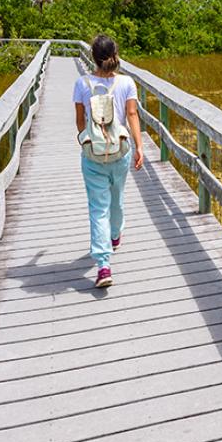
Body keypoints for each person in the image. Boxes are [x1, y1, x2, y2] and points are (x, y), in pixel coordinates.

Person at [73, 34, 144, 287]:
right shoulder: (127, 83)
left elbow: (80, 121)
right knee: (117, 198)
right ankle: (114, 236)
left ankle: (104, 266)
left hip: (93, 155)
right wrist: (139, 146)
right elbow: (133, 115)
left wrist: (84, 139)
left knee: (98, 207)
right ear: (115, 55)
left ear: (93, 57)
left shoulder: (82, 83)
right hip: (121, 151)